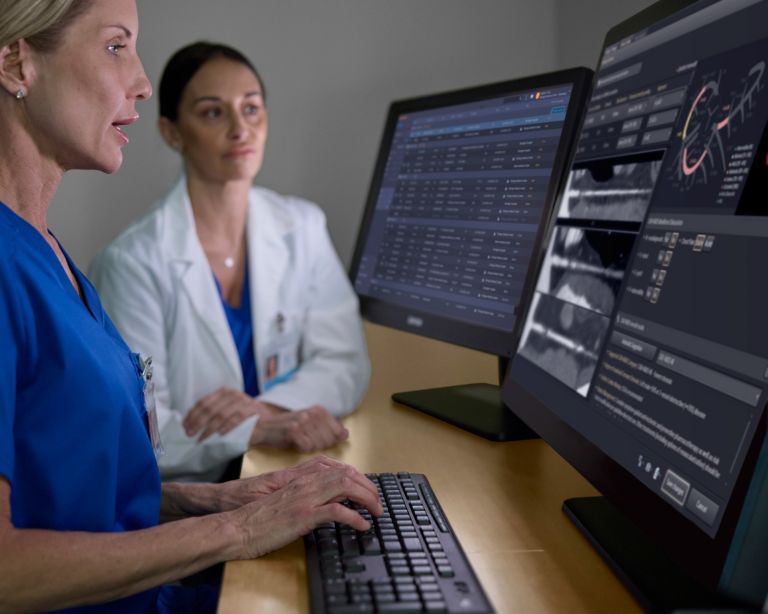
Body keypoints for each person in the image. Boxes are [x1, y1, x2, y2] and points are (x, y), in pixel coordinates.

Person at [0, 1, 381, 611]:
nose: (143, 83)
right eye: (116, 46)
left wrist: (216, 500)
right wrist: (240, 531)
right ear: (17, 62)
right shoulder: (20, 266)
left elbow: (83, 488)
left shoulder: (50, 256)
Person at [90, 41, 371, 482]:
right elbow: (143, 429)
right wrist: (252, 429)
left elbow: (346, 364)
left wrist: (269, 408)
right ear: (172, 132)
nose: (241, 128)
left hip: (290, 469)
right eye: (213, 112)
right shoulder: (132, 262)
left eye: (252, 108)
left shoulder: (303, 226)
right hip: (194, 502)